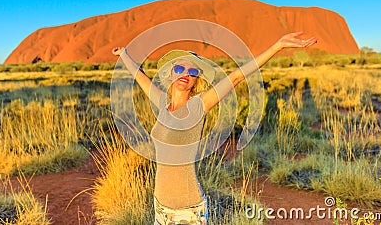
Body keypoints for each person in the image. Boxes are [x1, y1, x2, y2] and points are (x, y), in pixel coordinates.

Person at [112, 31, 317, 224]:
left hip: (188, 209)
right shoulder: (163, 105)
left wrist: (277, 46)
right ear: (170, 74)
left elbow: (236, 77)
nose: (186, 74)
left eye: (193, 72)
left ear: (196, 81)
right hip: (160, 207)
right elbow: (140, 78)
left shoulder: (198, 105)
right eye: (179, 68)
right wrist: (124, 54)